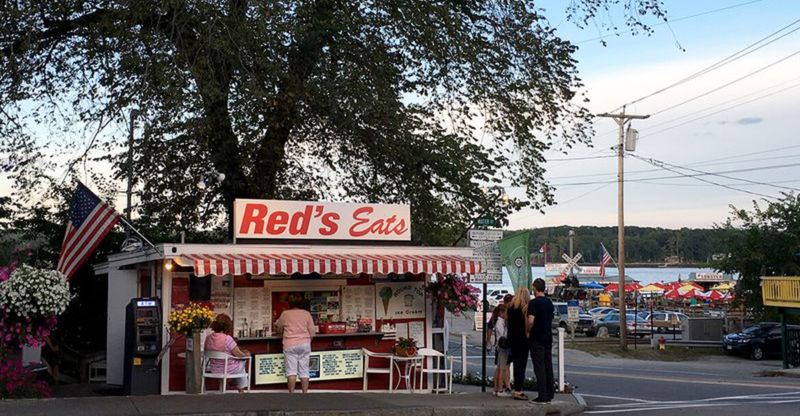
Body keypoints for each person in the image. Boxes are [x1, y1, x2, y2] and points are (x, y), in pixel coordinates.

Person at [275, 296, 317, 393]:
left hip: (289, 344)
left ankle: (291, 395)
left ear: (289, 304)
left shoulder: (285, 314)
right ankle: (305, 394)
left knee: (291, 371)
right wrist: (307, 341)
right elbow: (312, 332)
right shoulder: (306, 314)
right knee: (304, 370)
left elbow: (279, 329)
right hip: (305, 344)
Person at [204, 314, 251, 392]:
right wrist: (246, 354)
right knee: (243, 361)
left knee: (238, 364)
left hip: (214, 369)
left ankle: (232, 381)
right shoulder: (227, 339)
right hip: (228, 369)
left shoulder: (208, 338)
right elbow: (238, 354)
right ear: (227, 326)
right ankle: (241, 389)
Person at [527, 278, 555, 403]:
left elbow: (531, 320)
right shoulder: (549, 303)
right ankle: (550, 393)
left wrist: (527, 331)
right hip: (548, 337)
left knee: (539, 367)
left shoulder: (533, 303)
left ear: (535, 288)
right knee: (548, 365)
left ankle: (542, 394)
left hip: (536, 338)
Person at [506, 286, 531, 400]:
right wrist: (528, 334)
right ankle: (519, 390)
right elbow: (527, 324)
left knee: (515, 364)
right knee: (521, 366)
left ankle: (516, 389)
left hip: (512, 339)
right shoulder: (525, 308)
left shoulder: (510, 307)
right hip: (522, 339)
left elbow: (508, 323)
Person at [492, 304, 512, 397]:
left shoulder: (499, 322)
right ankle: (500, 389)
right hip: (503, 347)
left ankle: (497, 389)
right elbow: (503, 335)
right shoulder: (500, 323)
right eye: (506, 313)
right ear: (501, 313)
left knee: (500, 368)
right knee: (502, 368)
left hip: (500, 347)